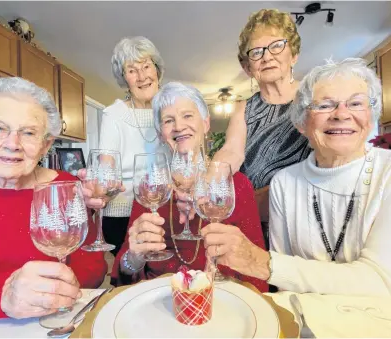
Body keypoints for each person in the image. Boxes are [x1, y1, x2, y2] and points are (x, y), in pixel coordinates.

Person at [201, 58, 391, 297]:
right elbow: (285, 286)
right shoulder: (285, 183)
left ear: (371, 116)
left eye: (356, 103)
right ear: (301, 123)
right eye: (325, 105)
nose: (341, 114)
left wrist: (262, 263)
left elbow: (382, 282)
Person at [0, 77, 107, 321]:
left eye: (28, 133)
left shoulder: (65, 186)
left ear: (45, 144)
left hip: (53, 327)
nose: (12, 144)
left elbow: (94, 270)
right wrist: (3, 295)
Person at [111, 82, 268, 293]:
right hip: (158, 301)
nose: (178, 126)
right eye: (168, 120)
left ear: (206, 123)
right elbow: (124, 273)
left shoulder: (236, 184)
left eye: (187, 116)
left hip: (221, 300)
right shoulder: (150, 187)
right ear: (160, 134)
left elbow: (256, 272)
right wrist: (134, 257)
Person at [211, 9, 311, 241]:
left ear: (293, 54)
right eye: (256, 52)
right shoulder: (243, 108)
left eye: (276, 46)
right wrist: (210, 182)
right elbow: (231, 152)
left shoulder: (312, 98)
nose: (267, 57)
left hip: (298, 220)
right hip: (251, 221)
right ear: (248, 67)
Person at [93, 36, 167, 257]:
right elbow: (106, 165)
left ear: (157, 70)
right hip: (122, 214)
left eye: (146, 66)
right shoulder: (114, 114)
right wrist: (104, 185)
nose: (142, 76)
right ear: (124, 78)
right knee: (132, 278)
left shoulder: (171, 110)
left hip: (167, 210)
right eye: (132, 70)